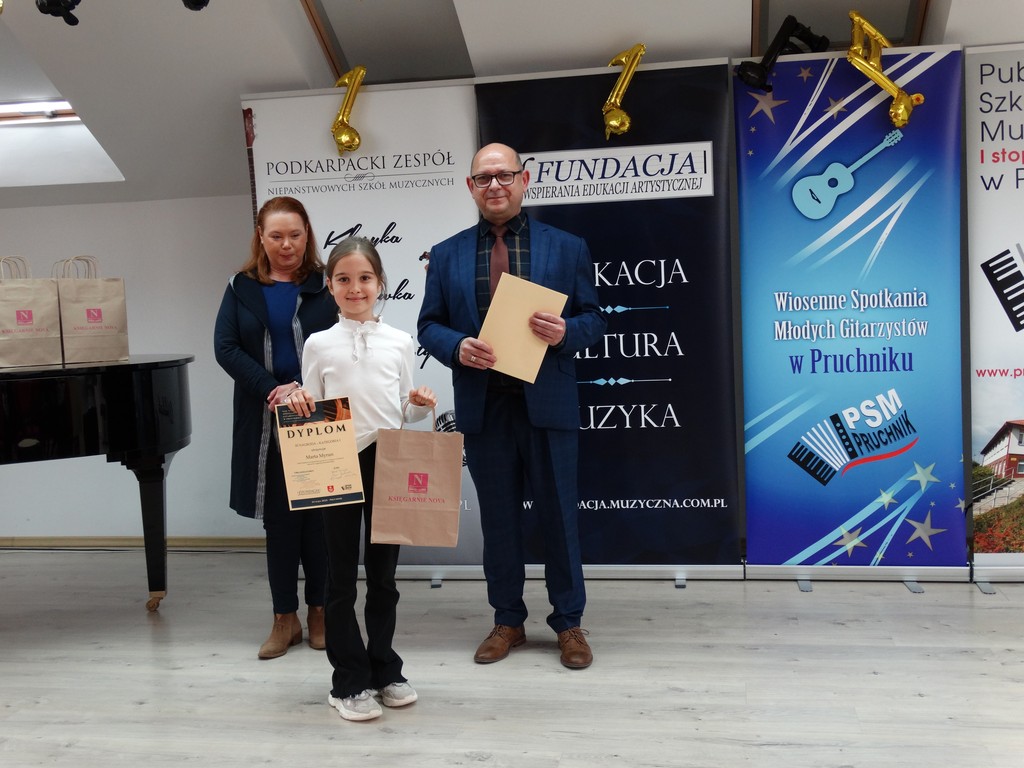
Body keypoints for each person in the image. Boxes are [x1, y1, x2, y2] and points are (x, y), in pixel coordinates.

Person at [417, 142, 607, 669]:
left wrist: (566, 332)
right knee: (499, 522)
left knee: (559, 519)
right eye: (484, 178)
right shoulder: (447, 253)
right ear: (471, 187)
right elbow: (428, 325)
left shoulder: (567, 247)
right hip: (485, 409)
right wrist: (456, 346)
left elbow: (595, 319)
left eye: (504, 175)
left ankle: (569, 623)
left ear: (524, 181)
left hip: (548, 404)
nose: (494, 185)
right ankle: (507, 621)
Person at [287, 236, 437, 722]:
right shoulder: (318, 344)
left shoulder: (400, 341)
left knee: (384, 577)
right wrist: (298, 401)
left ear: (380, 283)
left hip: (387, 460)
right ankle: (348, 681)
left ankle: (385, 669)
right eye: (344, 279)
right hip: (335, 462)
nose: (356, 288)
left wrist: (419, 405)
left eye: (365, 278)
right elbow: (312, 405)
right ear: (330, 286)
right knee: (339, 578)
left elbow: (405, 410)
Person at [214, 196, 337, 660]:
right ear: (261, 238)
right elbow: (226, 347)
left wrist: (305, 390)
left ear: (307, 236)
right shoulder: (240, 287)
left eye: (295, 235)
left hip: (319, 416)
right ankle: (284, 618)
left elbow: (346, 341)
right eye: (276, 236)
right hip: (265, 420)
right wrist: (275, 390)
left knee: (320, 523)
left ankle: (320, 612)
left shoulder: (328, 283)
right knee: (280, 525)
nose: (287, 245)